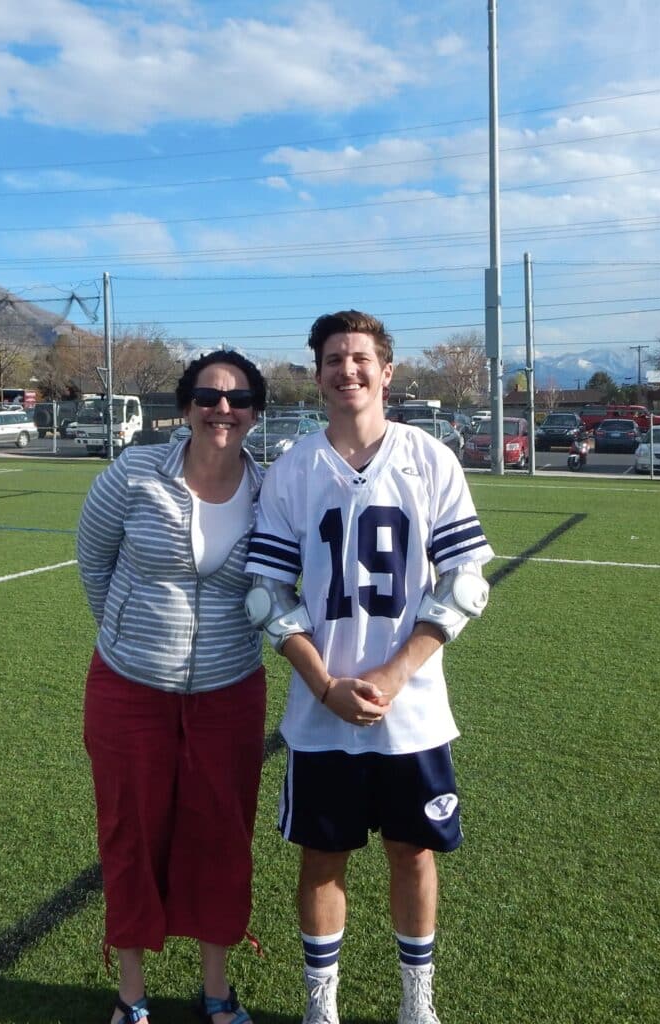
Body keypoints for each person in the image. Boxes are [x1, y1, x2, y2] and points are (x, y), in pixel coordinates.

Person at [244, 311, 493, 1024]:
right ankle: (322, 1007)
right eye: (332, 359)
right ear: (317, 374)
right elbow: (267, 592)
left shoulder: (429, 458)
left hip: (409, 710)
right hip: (320, 714)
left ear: (387, 371)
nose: (346, 370)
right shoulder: (294, 468)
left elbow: (465, 582)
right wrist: (324, 682)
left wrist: (392, 675)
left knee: (414, 854)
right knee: (322, 857)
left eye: (360, 358)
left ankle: (418, 1003)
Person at [78, 350, 268, 1024]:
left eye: (239, 398)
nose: (224, 409)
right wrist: (134, 641)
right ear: (184, 406)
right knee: (130, 832)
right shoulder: (133, 474)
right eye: (209, 397)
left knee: (222, 836)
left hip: (230, 693)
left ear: (255, 411)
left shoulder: (270, 490)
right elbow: (94, 563)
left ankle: (216, 990)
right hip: (129, 691)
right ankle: (131, 995)